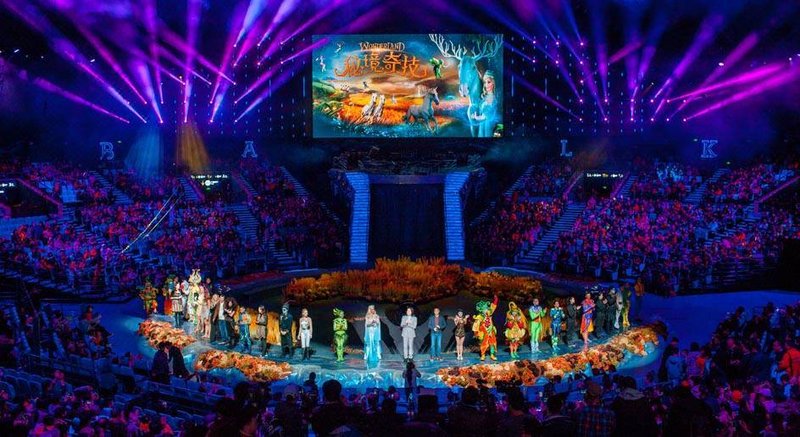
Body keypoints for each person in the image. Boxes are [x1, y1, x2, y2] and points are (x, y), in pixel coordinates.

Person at [473, 295, 498, 361]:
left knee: (492, 343)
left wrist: (496, 300)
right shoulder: (479, 317)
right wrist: (476, 332)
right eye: (485, 309)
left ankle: (492, 355)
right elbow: (475, 325)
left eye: (487, 308)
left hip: (491, 331)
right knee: (484, 344)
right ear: (481, 310)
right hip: (484, 333)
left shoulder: (489, 313)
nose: (487, 310)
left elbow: (493, 307)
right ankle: (483, 355)